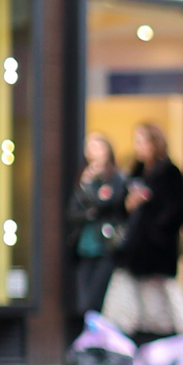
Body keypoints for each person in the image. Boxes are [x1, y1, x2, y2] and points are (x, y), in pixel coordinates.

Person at [106, 122, 183, 338]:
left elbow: (180, 209)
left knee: (162, 292)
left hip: (157, 249)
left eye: (141, 141)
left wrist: (157, 231)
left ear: (154, 143)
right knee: (128, 292)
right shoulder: (136, 172)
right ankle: (133, 330)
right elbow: (121, 207)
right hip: (134, 249)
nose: (137, 146)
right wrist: (130, 204)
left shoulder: (169, 172)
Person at [66, 132, 127, 322]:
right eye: (89, 147)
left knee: (98, 297)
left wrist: (89, 189)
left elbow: (108, 206)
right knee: (84, 299)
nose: (92, 151)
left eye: (97, 146)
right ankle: (90, 336)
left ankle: (99, 337)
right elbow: (73, 212)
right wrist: (86, 187)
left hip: (106, 245)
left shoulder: (115, 178)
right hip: (85, 247)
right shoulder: (84, 177)